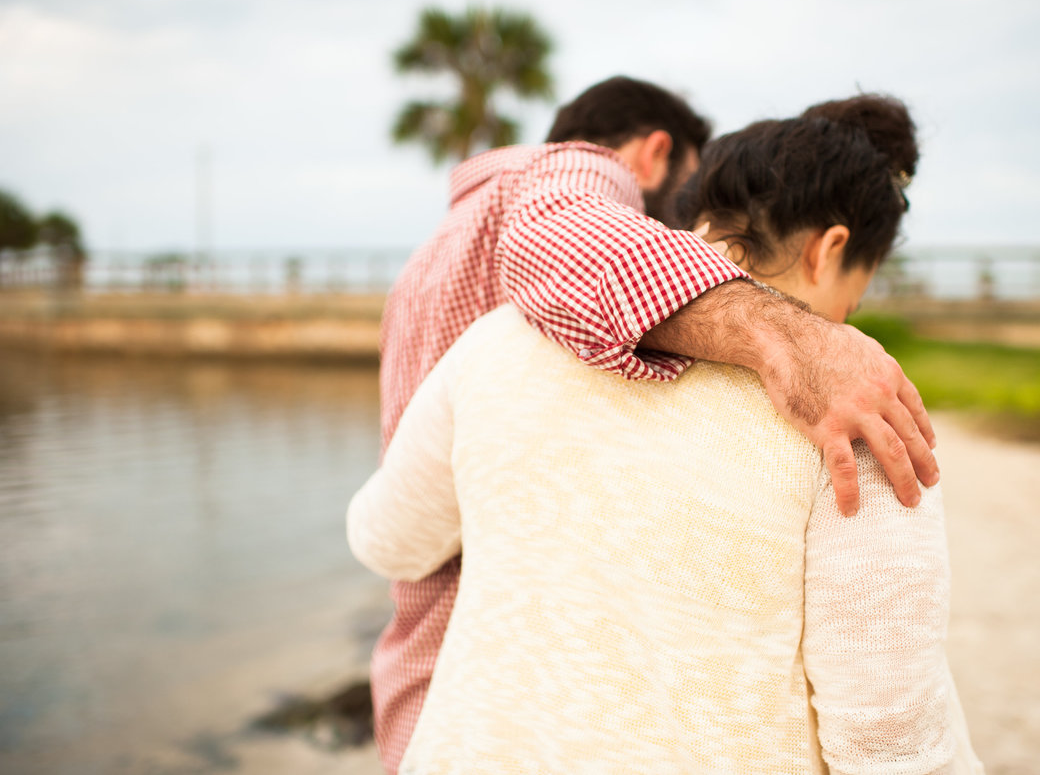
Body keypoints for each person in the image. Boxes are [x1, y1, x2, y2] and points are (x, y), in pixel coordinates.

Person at [351, 97, 983, 774]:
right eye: (859, 289)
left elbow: (385, 539)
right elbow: (892, 742)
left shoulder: (495, 342)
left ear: (701, 217)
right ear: (830, 250)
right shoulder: (853, 413)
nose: (850, 314)